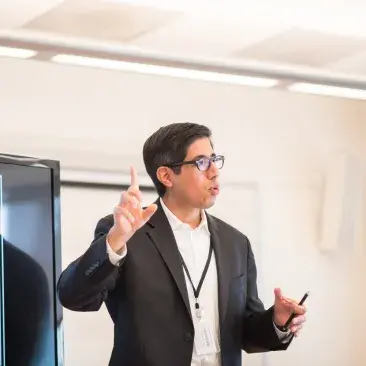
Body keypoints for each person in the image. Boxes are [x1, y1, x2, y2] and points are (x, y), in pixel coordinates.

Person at [57, 122, 307, 366]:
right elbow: (74, 297)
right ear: (166, 175)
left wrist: (277, 321)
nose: (214, 171)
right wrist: (115, 241)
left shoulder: (236, 243)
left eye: (214, 159)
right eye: (201, 162)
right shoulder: (128, 232)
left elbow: (245, 333)